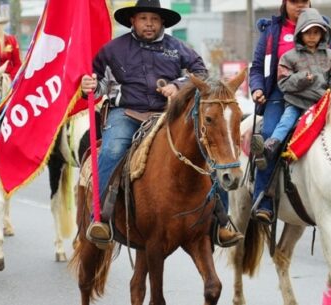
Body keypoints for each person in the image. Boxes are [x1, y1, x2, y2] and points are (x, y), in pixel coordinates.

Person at [80, 0, 242, 247]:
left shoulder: (178, 48)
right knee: (112, 150)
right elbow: (99, 83)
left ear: (162, 23)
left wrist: (177, 86)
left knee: (206, 152)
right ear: (133, 21)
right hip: (127, 113)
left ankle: (221, 222)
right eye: (143, 18)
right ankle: (100, 218)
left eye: (154, 19)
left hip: (166, 115)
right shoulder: (112, 50)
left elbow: (202, 75)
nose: (149, 23)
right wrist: (88, 86)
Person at [251, 8, 331, 222]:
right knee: (270, 131)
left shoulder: (329, 48)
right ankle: (263, 198)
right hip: (284, 96)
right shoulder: (272, 31)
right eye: (295, 1)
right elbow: (258, 67)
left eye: (304, 0)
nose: (300, 4)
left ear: (323, 33)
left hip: (323, 100)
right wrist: (257, 88)